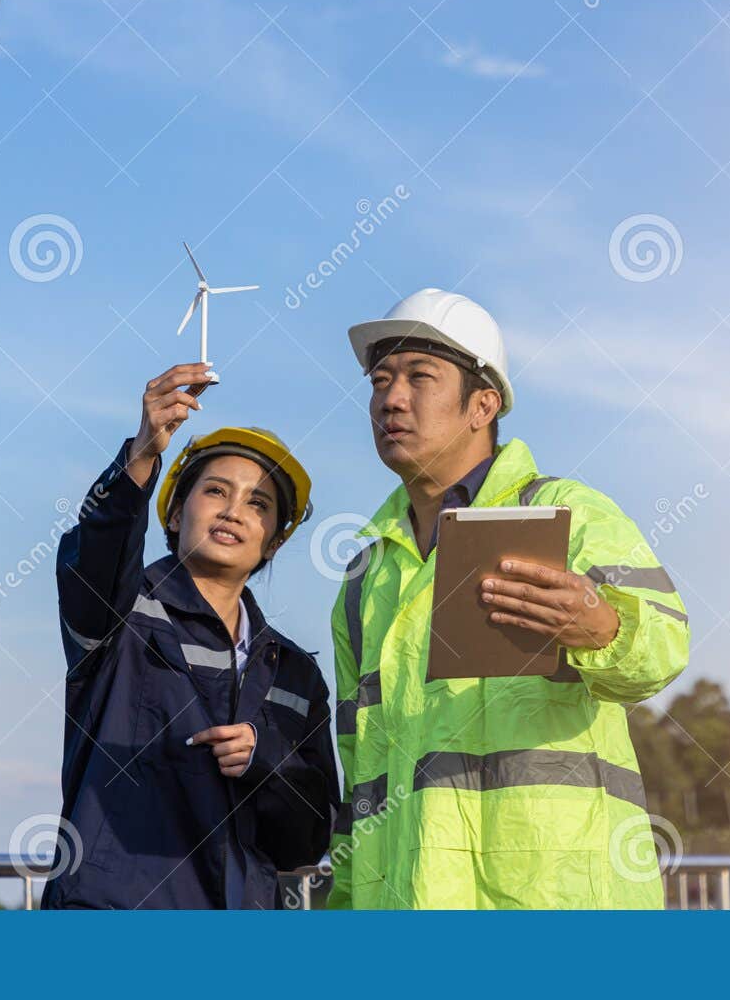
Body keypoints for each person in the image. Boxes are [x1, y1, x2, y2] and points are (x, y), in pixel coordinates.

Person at [326, 290, 690, 909]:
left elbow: (664, 649)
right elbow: (359, 774)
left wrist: (601, 626)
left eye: (420, 377)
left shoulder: (567, 515)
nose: (391, 398)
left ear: (483, 405)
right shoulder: (367, 575)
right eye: (381, 380)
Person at [42, 362, 339, 909]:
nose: (234, 511)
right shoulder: (121, 613)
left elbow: (311, 838)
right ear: (176, 513)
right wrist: (142, 455)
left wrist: (264, 759)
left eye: (259, 504)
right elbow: (97, 551)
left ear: (272, 542)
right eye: (216, 491)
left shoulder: (294, 672)